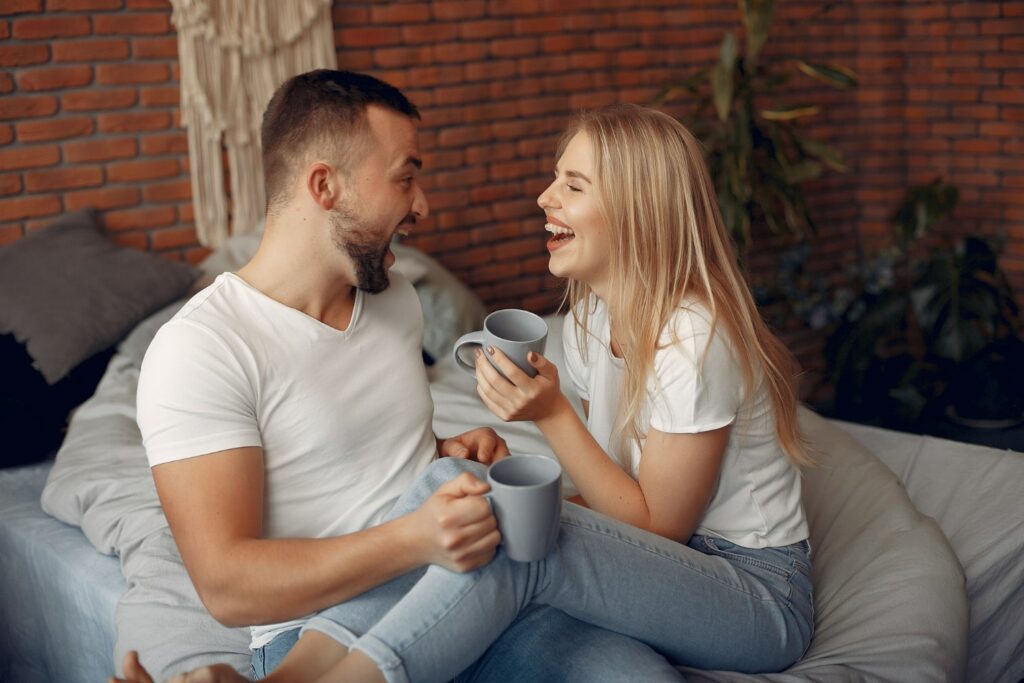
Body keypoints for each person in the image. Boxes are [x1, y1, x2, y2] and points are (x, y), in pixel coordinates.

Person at [121, 72, 684, 683]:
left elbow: (355, 458)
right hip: (318, 633)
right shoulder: (200, 349)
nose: (422, 205)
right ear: (324, 186)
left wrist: (442, 453)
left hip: (473, 583)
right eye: (405, 177)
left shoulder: (396, 301)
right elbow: (229, 588)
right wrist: (415, 539)